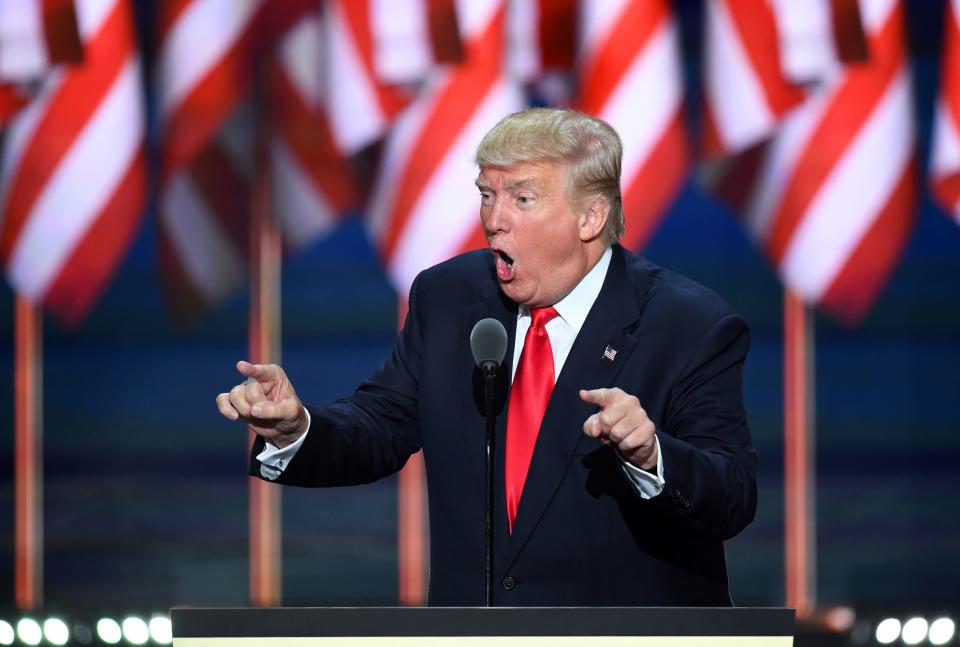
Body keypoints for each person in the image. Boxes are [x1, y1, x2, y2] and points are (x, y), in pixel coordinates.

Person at [216, 108, 758, 606]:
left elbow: (732, 495)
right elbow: (380, 424)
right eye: (486, 194)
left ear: (590, 217)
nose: (494, 219)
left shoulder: (688, 325)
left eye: (522, 199)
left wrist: (653, 455)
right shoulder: (449, 298)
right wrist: (295, 428)